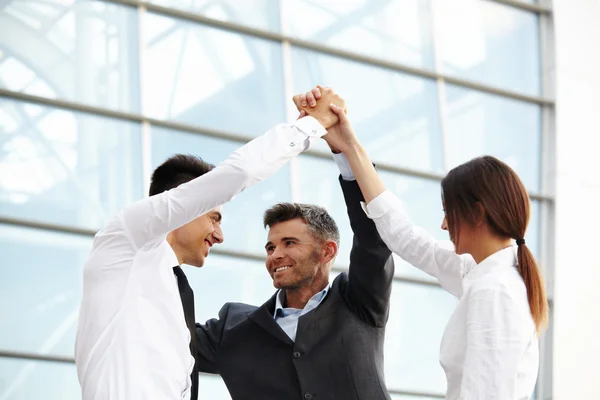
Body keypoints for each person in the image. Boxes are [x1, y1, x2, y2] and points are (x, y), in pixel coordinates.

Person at [73, 88, 345, 400]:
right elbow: (237, 174)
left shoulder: (168, 290)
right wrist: (310, 126)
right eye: (214, 217)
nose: (219, 235)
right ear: (185, 205)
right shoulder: (127, 241)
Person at [296, 86, 548, 399]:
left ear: (478, 214)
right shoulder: (481, 274)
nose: (444, 225)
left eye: (448, 213)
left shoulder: (494, 289)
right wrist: (347, 146)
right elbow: (404, 236)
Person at [192, 98, 395, 400]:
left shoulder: (359, 302)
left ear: (327, 252)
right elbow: (162, 338)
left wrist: (343, 148)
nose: (275, 255)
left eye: (289, 243)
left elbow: (373, 236)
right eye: (270, 247)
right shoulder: (232, 329)